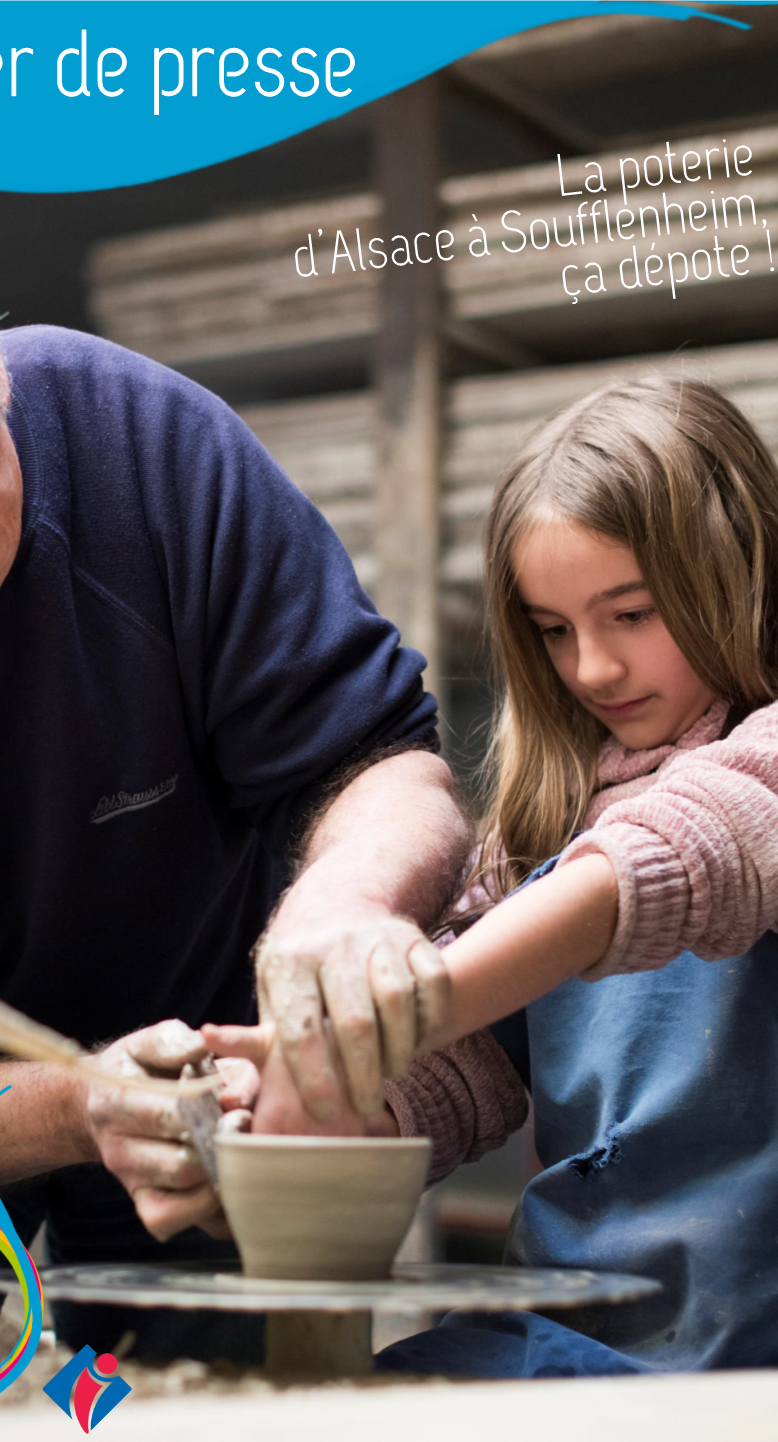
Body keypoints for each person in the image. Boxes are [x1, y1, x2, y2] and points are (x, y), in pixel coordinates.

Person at [0, 179, 471, 1359]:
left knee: (233, 1399)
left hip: (219, 1098)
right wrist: (73, 1105)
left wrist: (351, 901)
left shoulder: (137, 443)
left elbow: (387, 766)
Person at [212, 374, 778, 1373]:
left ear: (737, 572)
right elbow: (456, 1072)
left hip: (744, 1353)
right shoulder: (543, 827)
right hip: (578, 1329)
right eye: (554, 630)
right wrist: (317, 1096)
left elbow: (677, 851)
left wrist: (400, 1004)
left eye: (630, 613)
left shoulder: (751, 775)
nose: (592, 666)